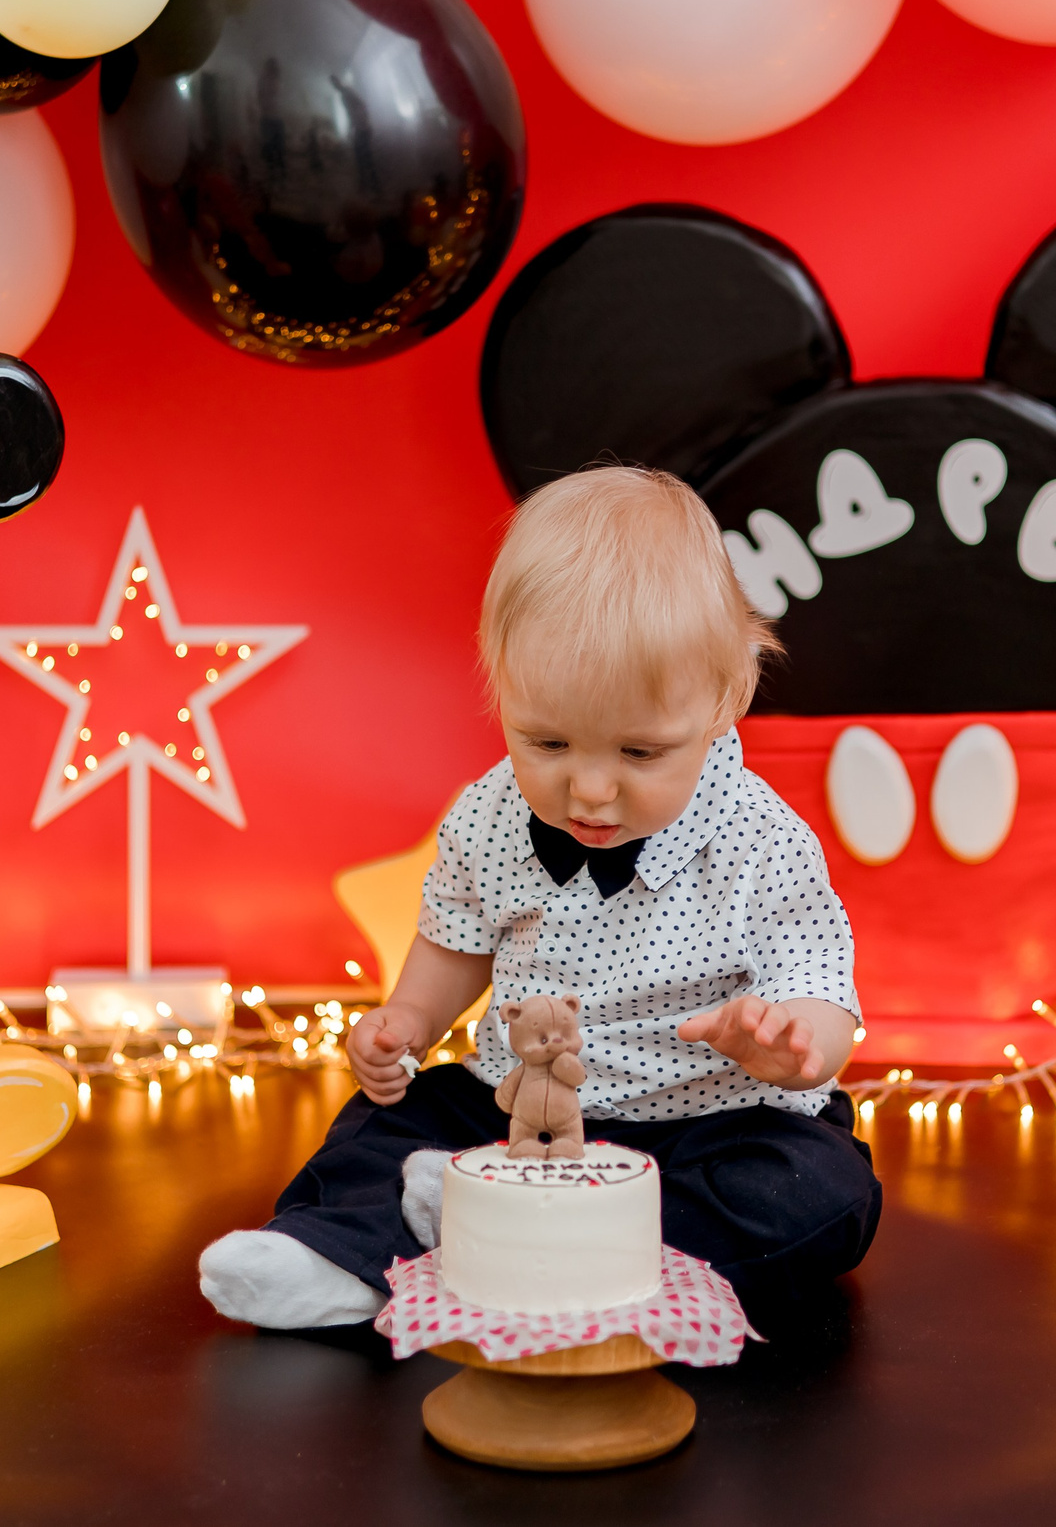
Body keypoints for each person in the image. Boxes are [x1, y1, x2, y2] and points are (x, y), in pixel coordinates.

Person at [199, 465, 880, 1331]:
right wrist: (405, 1017)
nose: (589, 790)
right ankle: (337, 1253)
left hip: (710, 1116)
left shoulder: (761, 838)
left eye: (639, 754)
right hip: (518, 1105)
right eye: (547, 740)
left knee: (818, 1193)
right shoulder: (488, 812)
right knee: (385, 1125)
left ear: (725, 700)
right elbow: (457, 937)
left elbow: (821, 983)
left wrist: (797, 1049)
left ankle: (536, 1244)